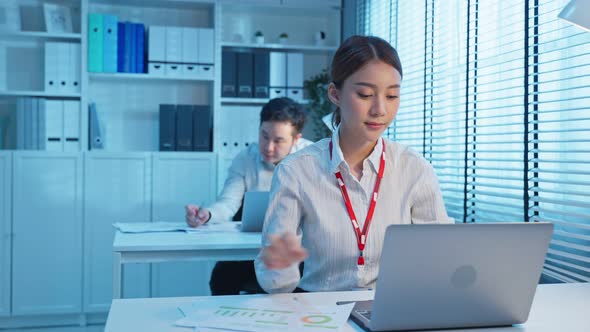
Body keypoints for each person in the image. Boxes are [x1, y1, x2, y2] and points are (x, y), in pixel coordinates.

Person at [254, 35, 453, 294]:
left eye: (392, 96)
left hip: (393, 309)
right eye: (365, 94)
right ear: (335, 94)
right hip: (319, 311)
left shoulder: (414, 169)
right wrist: (278, 264)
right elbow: (278, 285)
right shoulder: (296, 171)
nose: (380, 109)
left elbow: (442, 258)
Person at [185, 97, 312, 295]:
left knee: (303, 281)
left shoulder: (313, 159)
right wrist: (206, 214)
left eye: (279, 140)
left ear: (296, 139)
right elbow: (228, 203)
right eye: (264, 136)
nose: (269, 147)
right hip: (254, 253)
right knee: (222, 277)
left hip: (297, 252)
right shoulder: (245, 158)